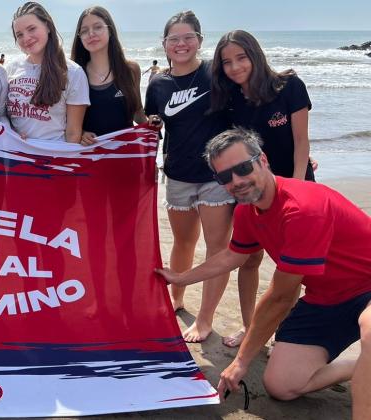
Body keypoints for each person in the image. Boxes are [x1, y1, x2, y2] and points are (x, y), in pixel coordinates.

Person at [156, 127, 371, 418]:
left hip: (367, 288)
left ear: (263, 160)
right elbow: (233, 256)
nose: (237, 181)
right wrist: (181, 277)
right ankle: (356, 367)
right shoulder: (247, 211)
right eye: (225, 177)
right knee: (282, 385)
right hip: (326, 299)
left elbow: (281, 297)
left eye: (243, 168)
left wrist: (241, 361)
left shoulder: (302, 209)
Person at [211, 29, 317, 347]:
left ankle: (290, 335)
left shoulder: (289, 86)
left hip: (295, 186)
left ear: (255, 54)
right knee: (250, 259)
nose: (235, 67)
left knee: (297, 265)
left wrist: (296, 186)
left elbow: (301, 142)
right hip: (250, 191)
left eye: (241, 57)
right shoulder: (229, 100)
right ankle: (251, 327)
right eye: (227, 62)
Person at [144, 10, 233, 343]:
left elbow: (249, 104)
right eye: (173, 39)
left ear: (199, 40)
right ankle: (176, 300)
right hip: (178, 174)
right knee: (183, 242)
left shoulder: (216, 74)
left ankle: (206, 319)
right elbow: (151, 125)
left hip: (216, 176)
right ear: (164, 44)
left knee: (217, 248)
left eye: (188, 37)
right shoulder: (158, 83)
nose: (181, 44)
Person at [7, 2, 89, 142]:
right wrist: (11, 132)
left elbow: (73, 133)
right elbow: (4, 116)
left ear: (47, 26)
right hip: (16, 156)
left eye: (31, 29)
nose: (26, 38)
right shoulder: (12, 67)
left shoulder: (73, 72)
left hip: (53, 157)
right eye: (19, 35)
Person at [70, 6, 146, 145]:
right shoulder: (74, 74)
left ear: (110, 30)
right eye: (84, 31)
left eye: (98, 27)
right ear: (79, 37)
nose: (91, 34)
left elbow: (137, 113)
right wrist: (81, 134)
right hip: (91, 158)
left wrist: (152, 126)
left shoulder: (131, 69)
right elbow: (66, 122)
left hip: (127, 155)